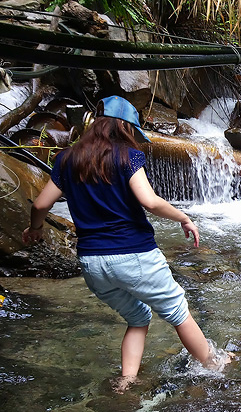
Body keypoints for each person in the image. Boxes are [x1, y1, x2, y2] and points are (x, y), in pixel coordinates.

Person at [21, 96, 226, 381]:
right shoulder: (127, 156)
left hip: (93, 264)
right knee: (179, 311)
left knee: (138, 317)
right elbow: (149, 201)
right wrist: (183, 218)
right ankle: (214, 366)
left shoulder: (67, 159)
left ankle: (126, 382)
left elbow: (40, 205)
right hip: (134, 255)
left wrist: (36, 229)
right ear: (124, 127)